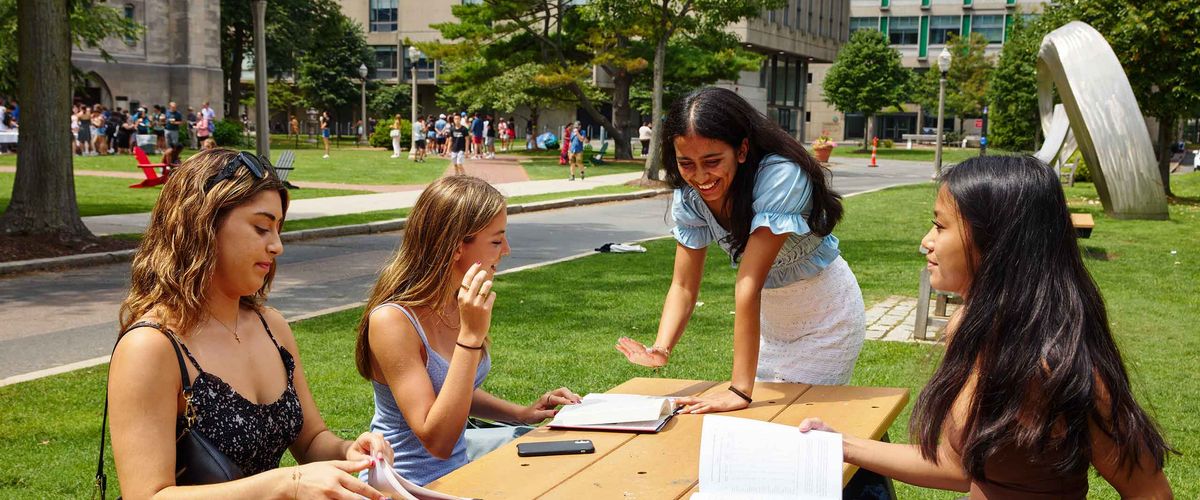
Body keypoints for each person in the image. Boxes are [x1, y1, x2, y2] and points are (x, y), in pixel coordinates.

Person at [799, 155, 1174, 497]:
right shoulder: (966, 325)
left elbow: (1150, 491)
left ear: (996, 241)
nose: (925, 242)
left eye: (940, 226)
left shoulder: (1055, 366)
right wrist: (842, 445)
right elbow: (957, 466)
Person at [107, 148, 394, 498]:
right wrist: (287, 484)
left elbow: (312, 439)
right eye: (261, 228)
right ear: (202, 225)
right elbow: (147, 495)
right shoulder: (152, 346)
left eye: (278, 229)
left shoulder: (271, 327)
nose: (277, 246)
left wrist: (350, 451)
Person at [615, 87, 863, 413]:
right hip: (772, 328)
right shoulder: (689, 197)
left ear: (742, 149)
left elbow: (749, 283)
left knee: (795, 424)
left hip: (826, 322)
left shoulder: (781, 177)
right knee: (767, 430)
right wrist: (661, 348)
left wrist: (739, 391)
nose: (701, 177)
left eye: (713, 161)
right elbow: (684, 285)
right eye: (686, 163)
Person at [355, 175, 580, 486]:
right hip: (407, 487)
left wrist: (522, 413)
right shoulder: (393, 321)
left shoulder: (454, 301)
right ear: (457, 247)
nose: (507, 251)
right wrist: (470, 339)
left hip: (458, 477)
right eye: (497, 240)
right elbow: (438, 441)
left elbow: (452, 391)